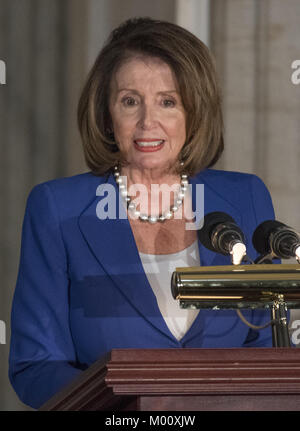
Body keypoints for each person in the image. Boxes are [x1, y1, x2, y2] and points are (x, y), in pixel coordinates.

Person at [9, 17, 276, 409]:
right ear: (106, 113)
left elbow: (269, 346)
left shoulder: (244, 197)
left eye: (168, 101)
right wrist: (130, 410)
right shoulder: (57, 208)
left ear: (194, 110)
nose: (147, 123)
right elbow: (35, 366)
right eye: (130, 101)